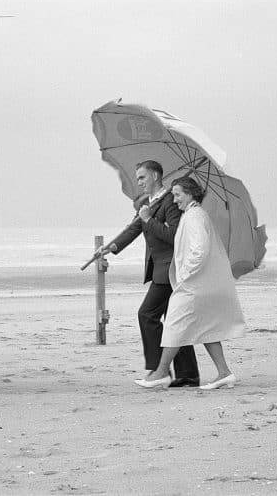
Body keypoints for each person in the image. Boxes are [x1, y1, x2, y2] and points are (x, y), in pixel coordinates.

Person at [135, 177, 245, 390]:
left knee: (175, 323)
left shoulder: (194, 216)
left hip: (193, 285)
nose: (174, 200)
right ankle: (224, 373)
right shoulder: (193, 214)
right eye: (173, 194)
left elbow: (199, 250)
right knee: (205, 327)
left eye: (178, 195)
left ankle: (160, 373)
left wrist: (185, 275)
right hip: (198, 283)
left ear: (191, 193)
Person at [103, 160, 200, 387]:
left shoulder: (171, 202)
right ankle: (188, 375)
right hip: (158, 269)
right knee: (174, 321)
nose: (139, 182)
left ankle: (159, 370)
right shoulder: (146, 203)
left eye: (142, 177)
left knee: (147, 315)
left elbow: (175, 235)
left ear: (155, 176)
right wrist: (111, 247)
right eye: (137, 178)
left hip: (170, 270)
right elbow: (133, 229)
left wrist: (149, 219)